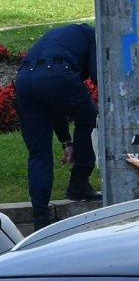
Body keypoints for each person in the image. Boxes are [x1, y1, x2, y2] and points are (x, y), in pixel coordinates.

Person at [15, 22, 98, 223]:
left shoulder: (63, 38)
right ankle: (79, 183)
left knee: (38, 152)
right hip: (55, 73)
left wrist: (67, 142)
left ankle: (40, 215)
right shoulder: (94, 36)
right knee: (88, 118)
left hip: (24, 78)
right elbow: (97, 75)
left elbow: (53, 104)